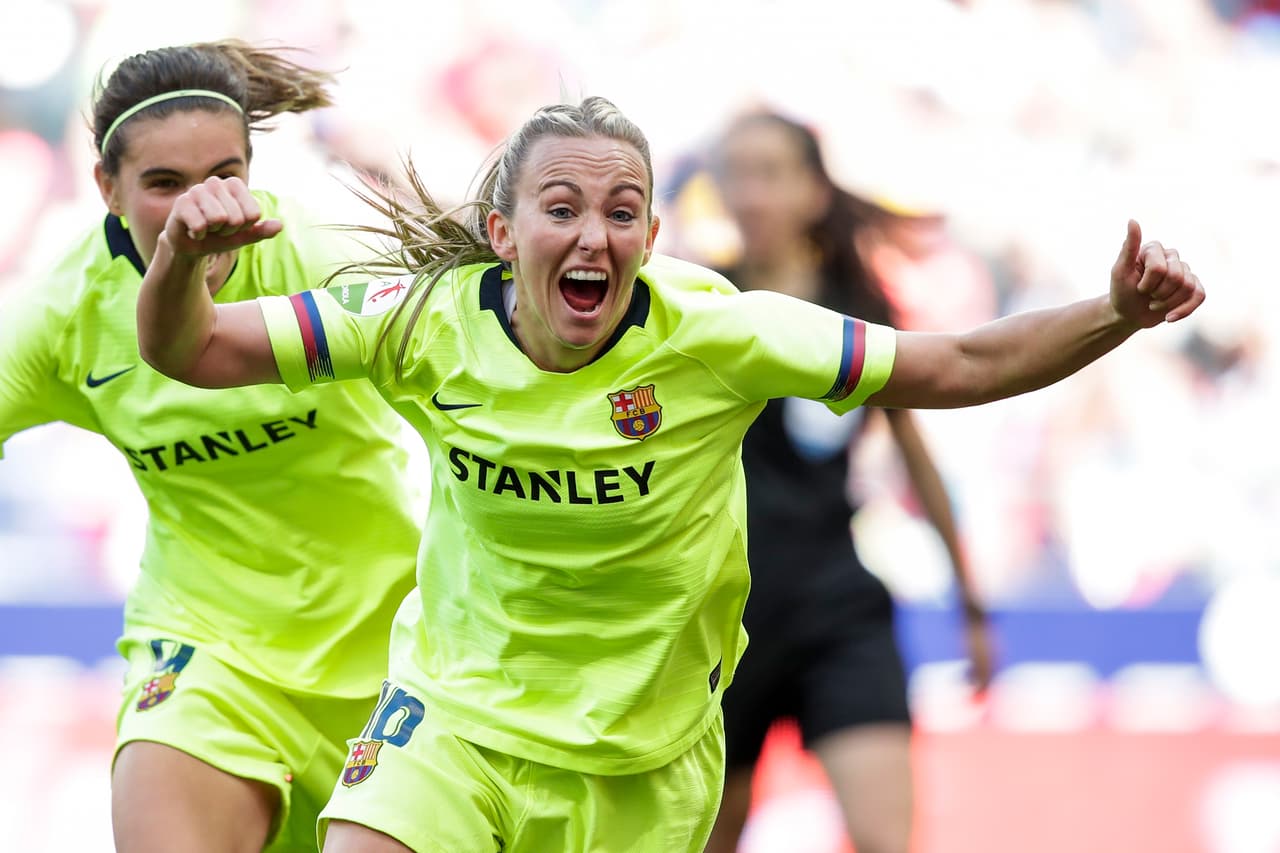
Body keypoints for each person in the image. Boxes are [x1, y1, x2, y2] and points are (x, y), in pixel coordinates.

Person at [132, 95, 1203, 853]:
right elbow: (191, 350)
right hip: (454, 719)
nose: (591, 233)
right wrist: (178, 262)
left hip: (642, 764)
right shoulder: (416, 325)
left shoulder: (720, 334)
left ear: (649, 229)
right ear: (503, 232)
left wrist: (1113, 313)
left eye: (620, 210)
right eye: (560, 208)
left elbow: (957, 363)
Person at [0, 41, 422, 852]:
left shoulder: (327, 257)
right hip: (206, 652)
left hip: (392, 665)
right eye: (164, 184)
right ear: (106, 188)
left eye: (224, 175)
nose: (203, 210)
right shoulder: (64, 316)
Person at [700, 111, 996, 853]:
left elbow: (916, 456)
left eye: (769, 173)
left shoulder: (861, 309)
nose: (750, 194)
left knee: (885, 839)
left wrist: (972, 603)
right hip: (723, 619)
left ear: (812, 189)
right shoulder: (699, 303)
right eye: (736, 174)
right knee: (709, 837)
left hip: (838, 605)